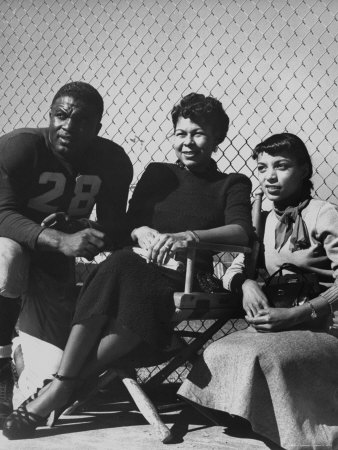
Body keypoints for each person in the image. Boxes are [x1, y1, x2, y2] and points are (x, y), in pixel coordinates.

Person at [2, 92, 253, 440]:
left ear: (217, 139)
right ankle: (70, 381)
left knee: (126, 270)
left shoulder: (232, 183)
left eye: (198, 134)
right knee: (125, 264)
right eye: (181, 133)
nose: (188, 142)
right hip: (138, 266)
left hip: (188, 275)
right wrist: (139, 230)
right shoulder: (158, 174)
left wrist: (188, 237)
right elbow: (123, 226)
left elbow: (241, 232)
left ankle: (62, 384)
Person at [178, 133, 338, 450]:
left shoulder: (324, 214)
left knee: (264, 356)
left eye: (281, 166)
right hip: (283, 324)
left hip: (325, 326)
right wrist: (246, 283)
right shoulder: (260, 217)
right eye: (262, 168)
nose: (270, 177)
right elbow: (235, 269)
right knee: (217, 352)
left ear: (304, 170)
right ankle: (255, 421)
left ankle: (303, 432)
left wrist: (298, 313)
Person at [0, 81, 133, 426]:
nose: (68, 127)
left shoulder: (111, 159)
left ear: (97, 128)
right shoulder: (20, 147)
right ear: (50, 115)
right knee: (8, 260)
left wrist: (81, 227)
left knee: (49, 377)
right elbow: (1, 214)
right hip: (6, 246)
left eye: (82, 121)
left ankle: (17, 356)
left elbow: (115, 227)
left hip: (49, 267)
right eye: (61, 116)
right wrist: (58, 239)